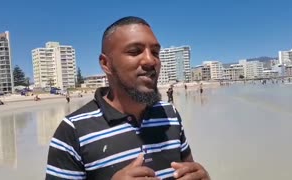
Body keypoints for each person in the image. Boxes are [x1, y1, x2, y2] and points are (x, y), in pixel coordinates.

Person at [46, 16, 210, 180]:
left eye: (155, 52)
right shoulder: (73, 130)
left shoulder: (169, 114)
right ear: (106, 64)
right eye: (134, 51)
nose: (150, 60)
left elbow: (188, 169)